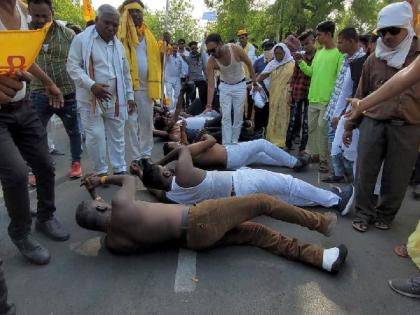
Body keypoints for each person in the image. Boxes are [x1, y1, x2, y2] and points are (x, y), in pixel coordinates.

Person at [77, 173, 349, 274]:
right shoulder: (122, 207)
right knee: (263, 201)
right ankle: (319, 223)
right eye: (99, 202)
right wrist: (100, 180)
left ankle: (322, 258)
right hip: (200, 218)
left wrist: (94, 194)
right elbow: (127, 180)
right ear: (102, 206)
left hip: (194, 241)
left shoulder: (114, 242)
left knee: (259, 234)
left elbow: (101, 214)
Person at [0, 0, 69, 265]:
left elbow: (24, 60)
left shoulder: (21, 9)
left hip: (22, 106)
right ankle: (20, 232)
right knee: (17, 174)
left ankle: (46, 216)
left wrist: (50, 84)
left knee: (44, 163)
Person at [343, 2, 420, 232]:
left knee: (397, 177)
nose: (386, 36)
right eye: (382, 32)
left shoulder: (417, 56)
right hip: (373, 122)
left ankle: (385, 215)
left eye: (393, 30)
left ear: (408, 27)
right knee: (365, 172)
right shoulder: (373, 58)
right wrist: (349, 125)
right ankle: (364, 213)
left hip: (408, 126)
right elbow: (360, 95)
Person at [140, 146, 354, 214]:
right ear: (166, 173)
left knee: (285, 197)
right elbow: (183, 149)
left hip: (238, 201)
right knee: (289, 184)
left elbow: (154, 189)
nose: (166, 168)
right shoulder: (183, 173)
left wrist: (143, 175)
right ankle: (336, 201)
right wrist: (161, 160)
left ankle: (329, 199)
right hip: (242, 183)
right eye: (163, 168)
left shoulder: (169, 197)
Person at [67, 4, 136, 176]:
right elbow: (72, 66)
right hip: (89, 98)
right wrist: (92, 85)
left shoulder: (118, 45)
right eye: (107, 22)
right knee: (95, 136)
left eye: (115, 24)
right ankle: (101, 171)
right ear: (97, 20)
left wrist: (129, 95)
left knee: (117, 135)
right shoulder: (81, 40)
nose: (111, 27)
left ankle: (119, 168)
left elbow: (125, 72)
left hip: (115, 99)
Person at [28, 0, 82, 179]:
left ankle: (76, 163)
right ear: (29, 12)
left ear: (52, 13)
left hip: (67, 94)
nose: (41, 19)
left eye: (46, 15)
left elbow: (77, 62)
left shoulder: (68, 35)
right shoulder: (24, 34)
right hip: (38, 93)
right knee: (36, 134)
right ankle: (37, 169)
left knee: (73, 131)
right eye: (37, 15)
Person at [295, 21, 344, 173]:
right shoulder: (319, 53)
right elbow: (311, 72)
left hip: (327, 100)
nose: (317, 38)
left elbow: (340, 80)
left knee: (323, 129)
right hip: (313, 98)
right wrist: (301, 63)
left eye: (319, 35)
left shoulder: (339, 54)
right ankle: (315, 155)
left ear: (328, 34)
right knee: (312, 129)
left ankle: (324, 160)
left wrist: (335, 101)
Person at [118, 0, 162, 167]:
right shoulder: (121, 35)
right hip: (129, 88)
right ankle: (136, 157)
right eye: (132, 12)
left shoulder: (149, 34)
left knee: (146, 123)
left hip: (146, 88)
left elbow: (158, 60)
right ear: (126, 15)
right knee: (131, 124)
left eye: (139, 12)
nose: (136, 15)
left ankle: (146, 155)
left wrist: (164, 48)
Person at [321, 27, 365, 183]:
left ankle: (351, 177)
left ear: (352, 41)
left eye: (341, 42)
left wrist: (339, 115)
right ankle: (339, 174)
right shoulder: (347, 58)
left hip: (349, 110)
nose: (338, 45)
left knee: (346, 144)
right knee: (335, 141)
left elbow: (352, 92)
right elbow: (341, 88)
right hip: (337, 107)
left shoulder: (361, 61)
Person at [204, 33, 259, 145]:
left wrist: (255, 83)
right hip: (225, 87)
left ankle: (234, 142)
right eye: (208, 52)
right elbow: (210, 85)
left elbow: (249, 64)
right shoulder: (211, 61)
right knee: (226, 117)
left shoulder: (235, 49)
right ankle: (226, 144)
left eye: (213, 50)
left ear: (221, 43)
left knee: (238, 116)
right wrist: (209, 105)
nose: (211, 54)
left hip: (240, 85)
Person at [162, 133, 308, 171]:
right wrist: (206, 136)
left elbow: (189, 143)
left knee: (261, 156)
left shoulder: (185, 154)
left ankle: (289, 161)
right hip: (232, 155)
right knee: (262, 144)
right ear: (173, 149)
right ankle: (294, 163)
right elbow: (212, 141)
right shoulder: (186, 150)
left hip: (231, 158)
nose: (177, 142)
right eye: (174, 143)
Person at [257, 43, 295, 148]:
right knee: (273, 114)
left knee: (284, 116)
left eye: (280, 53)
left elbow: (295, 78)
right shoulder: (272, 64)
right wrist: (253, 83)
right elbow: (262, 76)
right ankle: (272, 138)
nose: (278, 55)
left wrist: (291, 91)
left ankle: (283, 140)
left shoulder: (292, 63)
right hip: (274, 94)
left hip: (287, 95)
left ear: (285, 52)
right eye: (276, 53)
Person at [286, 30, 316, 154]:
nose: (305, 47)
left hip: (311, 93)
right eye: (303, 45)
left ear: (313, 41)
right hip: (298, 91)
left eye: (307, 43)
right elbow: (294, 76)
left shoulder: (319, 57)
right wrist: (290, 91)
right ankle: (288, 145)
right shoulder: (300, 57)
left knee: (306, 122)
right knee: (293, 119)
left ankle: (303, 149)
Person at [253, 39, 274, 133]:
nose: (268, 49)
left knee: (270, 113)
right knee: (259, 111)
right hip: (261, 91)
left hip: (274, 91)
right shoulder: (259, 61)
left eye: (270, 47)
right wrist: (255, 84)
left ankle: (268, 132)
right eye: (266, 48)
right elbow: (252, 74)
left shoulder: (278, 60)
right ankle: (257, 131)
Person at [181, 41, 207, 109]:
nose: (194, 49)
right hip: (192, 80)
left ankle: (203, 108)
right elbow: (183, 55)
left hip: (200, 78)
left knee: (203, 95)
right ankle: (193, 109)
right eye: (192, 48)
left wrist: (207, 77)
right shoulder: (188, 57)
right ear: (190, 49)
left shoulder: (201, 56)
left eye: (195, 48)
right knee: (192, 95)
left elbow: (204, 67)